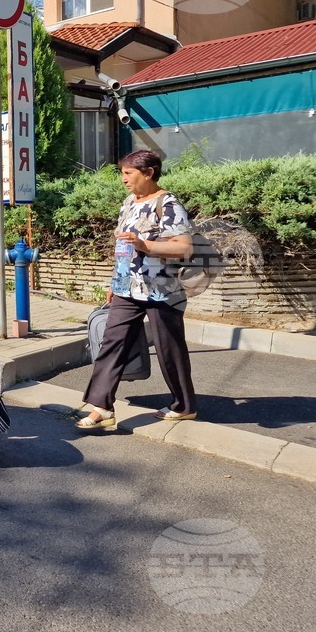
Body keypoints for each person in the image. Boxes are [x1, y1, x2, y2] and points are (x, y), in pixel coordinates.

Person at [76, 149, 198, 430]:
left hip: (160, 291)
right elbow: (123, 245)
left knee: (170, 349)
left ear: (149, 173)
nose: (123, 179)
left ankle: (184, 405)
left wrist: (146, 245)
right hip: (127, 288)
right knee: (112, 344)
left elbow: (183, 248)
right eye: (123, 173)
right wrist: (114, 280)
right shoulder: (129, 202)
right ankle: (102, 407)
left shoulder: (168, 204)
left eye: (128, 173)